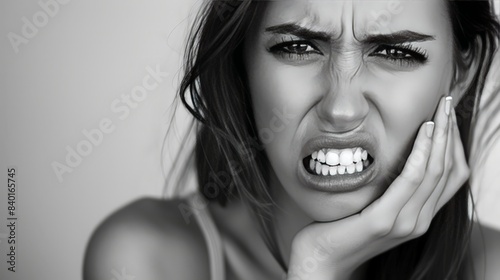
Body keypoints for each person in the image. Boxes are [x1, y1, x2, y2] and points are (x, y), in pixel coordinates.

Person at [83, 0, 500, 279]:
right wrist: (316, 270)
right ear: (239, 61)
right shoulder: (144, 259)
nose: (341, 109)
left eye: (394, 54)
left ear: (462, 71)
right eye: (298, 47)